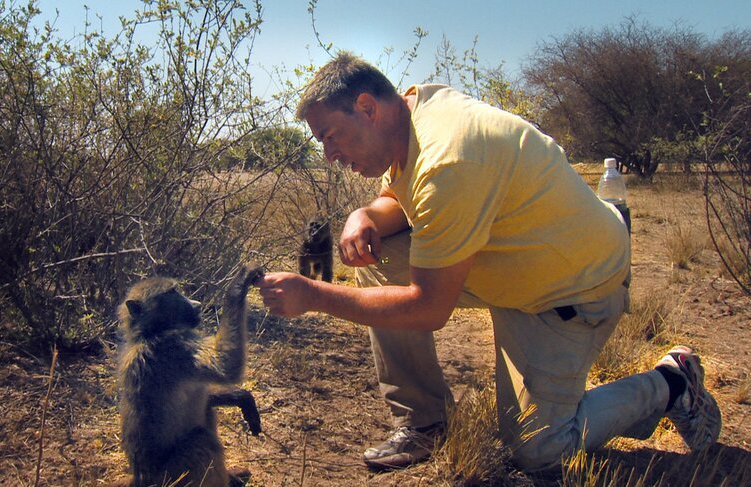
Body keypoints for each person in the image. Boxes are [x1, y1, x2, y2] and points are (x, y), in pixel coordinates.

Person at [257, 51, 721, 472]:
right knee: (375, 255)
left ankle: (670, 382)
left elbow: (429, 308)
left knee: (538, 451)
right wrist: (365, 214)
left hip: (571, 289)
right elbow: (401, 202)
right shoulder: (417, 109)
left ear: (366, 107)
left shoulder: (449, 158)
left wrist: (314, 295)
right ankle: (427, 423)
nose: (329, 155)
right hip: (513, 269)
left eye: (330, 136)